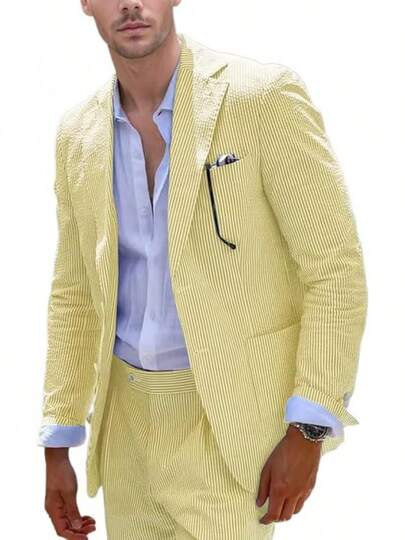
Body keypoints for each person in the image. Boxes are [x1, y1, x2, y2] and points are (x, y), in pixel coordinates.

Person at [37, 1, 368, 538]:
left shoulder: (261, 98)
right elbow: (73, 293)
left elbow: (334, 268)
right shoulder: (78, 134)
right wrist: (59, 441)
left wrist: (309, 426)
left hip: (228, 425)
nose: (131, 4)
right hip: (124, 432)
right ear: (85, 3)